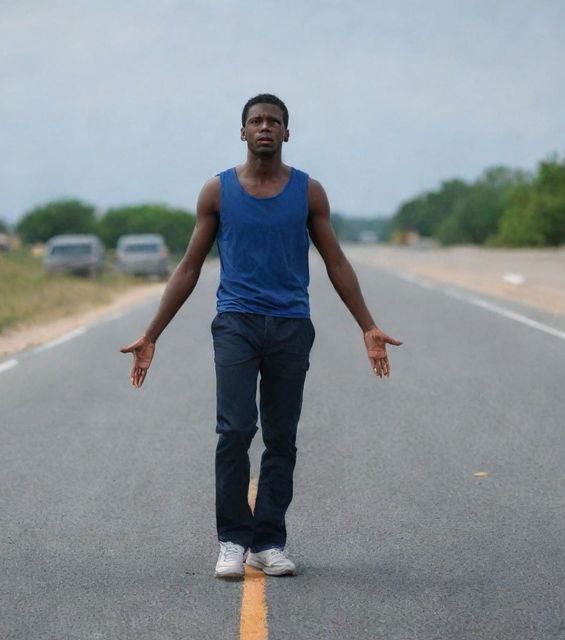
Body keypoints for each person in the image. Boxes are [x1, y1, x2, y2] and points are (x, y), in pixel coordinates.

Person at [121, 94, 402, 579]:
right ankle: (232, 539)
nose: (265, 127)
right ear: (243, 132)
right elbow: (190, 266)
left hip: (292, 325)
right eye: (256, 121)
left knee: (281, 437)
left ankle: (268, 542)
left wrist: (367, 326)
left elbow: (335, 261)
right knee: (234, 430)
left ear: (287, 133)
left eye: (274, 121)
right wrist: (152, 333)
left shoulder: (309, 192)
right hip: (237, 322)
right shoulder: (218, 191)